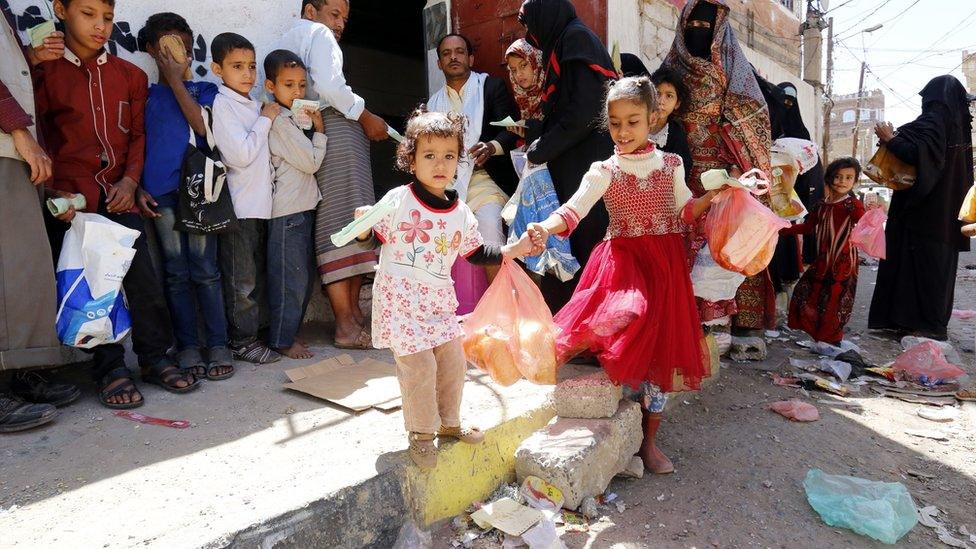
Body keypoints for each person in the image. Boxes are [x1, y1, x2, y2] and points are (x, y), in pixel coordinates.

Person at [525, 77, 715, 473]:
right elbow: (573, 210)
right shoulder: (604, 169)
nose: (623, 131)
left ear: (652, 119)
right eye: (615, 123)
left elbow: (685, 212)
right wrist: (545, 226)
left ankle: (648, 441)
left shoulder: (671, 164)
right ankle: (620, 430)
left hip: (665, 267)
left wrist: (714, 196)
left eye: (633, 121)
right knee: (629, 318)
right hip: (624, 263)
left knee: (660, 354)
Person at [353, 108, 534, 469]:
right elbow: (369, 241)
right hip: (402, 304)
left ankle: (449, 424)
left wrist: (512, 250)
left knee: (452, 364)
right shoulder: (398, 201)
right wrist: (362, 226)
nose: (440, 164)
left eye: (449, 156)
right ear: (411, 159)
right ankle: (421, 435)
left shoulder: (461, 213)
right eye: (429, 155)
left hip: (438, 304)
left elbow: (476, 252)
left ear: (459, 161)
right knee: (419, 369)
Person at [38, 0, 197, 408]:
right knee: (94, 290)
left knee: (144, 280)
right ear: (61, 10)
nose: (100, 26)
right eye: (88, 14)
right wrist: (53, 192)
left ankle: (154, 358)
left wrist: (129, 180)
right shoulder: (44, 72)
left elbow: (138, 137)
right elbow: (38, 137)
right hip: (72, 202)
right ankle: (110, 368)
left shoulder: (128, 76)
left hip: (119, 195)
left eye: (107, 17)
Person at [663, 0, 775, 353]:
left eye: (705, 28)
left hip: (724, 172)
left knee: (725, 247)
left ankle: (728, 327)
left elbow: (751, 115)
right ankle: (688, 326)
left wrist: (736, 170)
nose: (698, 32)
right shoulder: (670, 70)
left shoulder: (732, 70)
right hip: (680, 171)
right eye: (692, 26)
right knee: (686, 248)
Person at [275, 0, 388, 350]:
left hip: (322, 129)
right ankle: (345, 322)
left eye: (344, 18)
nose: (339, 24)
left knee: (352, 219)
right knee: (343, 222)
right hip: (336, 128)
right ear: (311, 11)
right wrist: (366, 115)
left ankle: (352, 316)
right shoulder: (317, 33)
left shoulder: (290, 38)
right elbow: (331, 87)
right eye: (334, 14)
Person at [138, 12, 234, 381]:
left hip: (199, 192)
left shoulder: (205, 91)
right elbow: (138, 142)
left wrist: (179, 81)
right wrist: (138, 184)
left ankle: (218, 343)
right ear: (151, 51)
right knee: (176, 273)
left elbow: (202, 127)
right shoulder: (146, 96)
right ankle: (188, 346)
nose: (179, 54)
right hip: (159, 193)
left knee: (206, 271)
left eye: (184, 46)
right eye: (168, 48)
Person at [0, 3, 80, 431]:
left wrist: (31, 57)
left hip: (12, 151)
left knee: (22, 272)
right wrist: (19, 133)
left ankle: (18, 374)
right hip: (5, 146)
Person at [519, 0, 617, 311]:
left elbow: (586, 110)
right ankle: (575, 323)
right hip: (574, 158)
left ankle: (587, 327)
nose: (528, 32)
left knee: (584, 240)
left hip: (584, 161)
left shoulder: (575, 39)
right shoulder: (566, 41)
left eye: (529, 22)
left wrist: (543, 147)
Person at [868, 75, 973, 341]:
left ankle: (923, 324)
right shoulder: (958, 129)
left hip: (923, 214)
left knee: (919, 269)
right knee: (934, 270)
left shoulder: (935, 123)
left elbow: (921, 157)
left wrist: (891, 139)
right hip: (946, 214)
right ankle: (926, 323)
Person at [210, 32, 281, 364]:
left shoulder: (253, 105)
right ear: (216, 69)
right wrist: (266, 120)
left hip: (261, 207)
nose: (248, 74)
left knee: (256, 277)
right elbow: (240, 155)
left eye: (251, 66)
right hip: (239, 208)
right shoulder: (223, 105)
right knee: (242, 281)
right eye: (237, 66)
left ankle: (255, 335)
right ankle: (242, 341)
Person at [429, 33, 521, 282]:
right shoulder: (432, 105)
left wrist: (492, 147)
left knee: (489, 226)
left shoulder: (491, 87)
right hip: (447, 185)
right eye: (446, 54)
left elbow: (512, 131)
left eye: (459, 51)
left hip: (486, 180)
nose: (453, 57)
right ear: (439, 63)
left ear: (470, 57)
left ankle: (498, 305)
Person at [263, 50, 326, 360]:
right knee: (291, 279)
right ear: (271, 86)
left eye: (302, 85)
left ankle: (287, 334)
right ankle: (282, 339)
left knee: (300, 277)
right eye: (289, 85)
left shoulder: (291, 119)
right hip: (287, 211)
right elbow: (311, 162)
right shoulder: (278, 122)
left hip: (300, 208)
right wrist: (321, 130)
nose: (298, 92)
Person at [782, 158, 865, 345]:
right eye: (838, 177)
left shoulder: (853, 206)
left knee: (835, 302)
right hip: (823, 260)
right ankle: (819, 336)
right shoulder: (821, 205)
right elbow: (807, 227)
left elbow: (865, 224)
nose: (842, 181)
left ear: (854, 181)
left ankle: (833, 339)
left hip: (843, 263)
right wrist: (780, 228)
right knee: (806, 292)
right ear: (829, 179)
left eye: (848, 178)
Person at [649, 66, 693, 185]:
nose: (661, 101)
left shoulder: (677, 135)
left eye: (669, 96)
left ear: (677, 104)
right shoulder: (637, 123)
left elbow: (682, 171)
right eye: (657, 93)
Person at [504, 38, 545, 137]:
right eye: (513, 70)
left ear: (536, 61)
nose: (518, 74)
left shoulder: (554, 89)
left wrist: (532, 128)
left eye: (523, 65)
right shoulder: (519, 95)